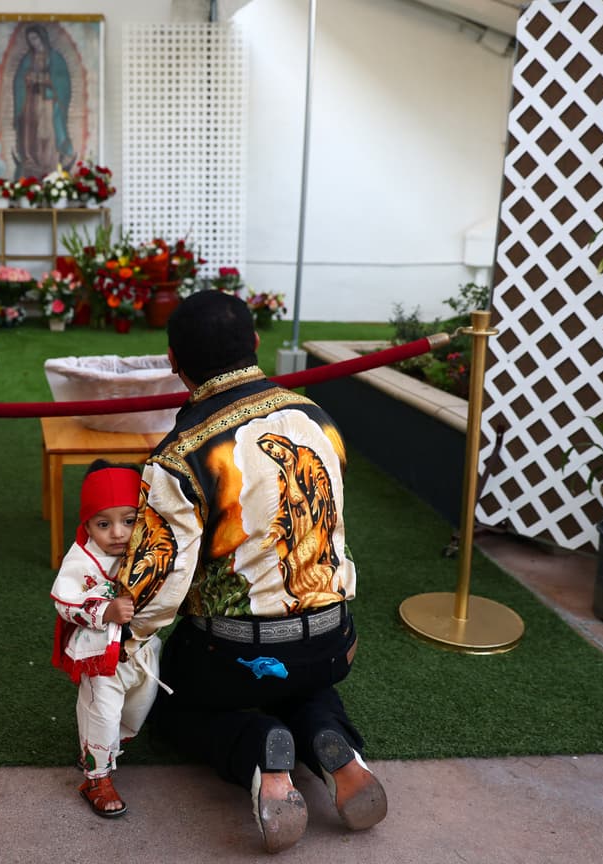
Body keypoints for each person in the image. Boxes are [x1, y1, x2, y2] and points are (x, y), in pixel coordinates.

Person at [116, 291, 387, 854]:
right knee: (299, 684)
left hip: (233, 657)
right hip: (334, 641)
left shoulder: (180, 453)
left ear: (172, 360)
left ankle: (260, 749)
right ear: (256, 344)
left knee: (174, 705)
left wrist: (120, 635)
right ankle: (333, 744)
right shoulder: (318, 419)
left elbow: (159, 585)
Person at [51, 461, 164, 819]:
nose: (117, 533)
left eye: (129, 521)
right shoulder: (82, 557)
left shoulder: (150, 550)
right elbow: (64, 598)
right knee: (101, 711)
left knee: (138, 703)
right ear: (87, 526)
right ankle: (96, 778)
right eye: (104, 524)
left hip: (141, 651)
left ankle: (106, 748)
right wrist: (105, 610)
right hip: (101, 657)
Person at [12, 23, 74, 178]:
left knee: (47, 132)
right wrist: (28, 79)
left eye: (35, 37)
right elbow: (19, 80)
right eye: (29, 39)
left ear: (42, 37)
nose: (33, 42)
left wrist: (45, 80)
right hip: (31, 102)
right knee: (31, 132)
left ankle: (49, 164)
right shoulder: (27, 59)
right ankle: (31, 163)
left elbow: (62, 82)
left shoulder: (55, 58)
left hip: (48, 102)